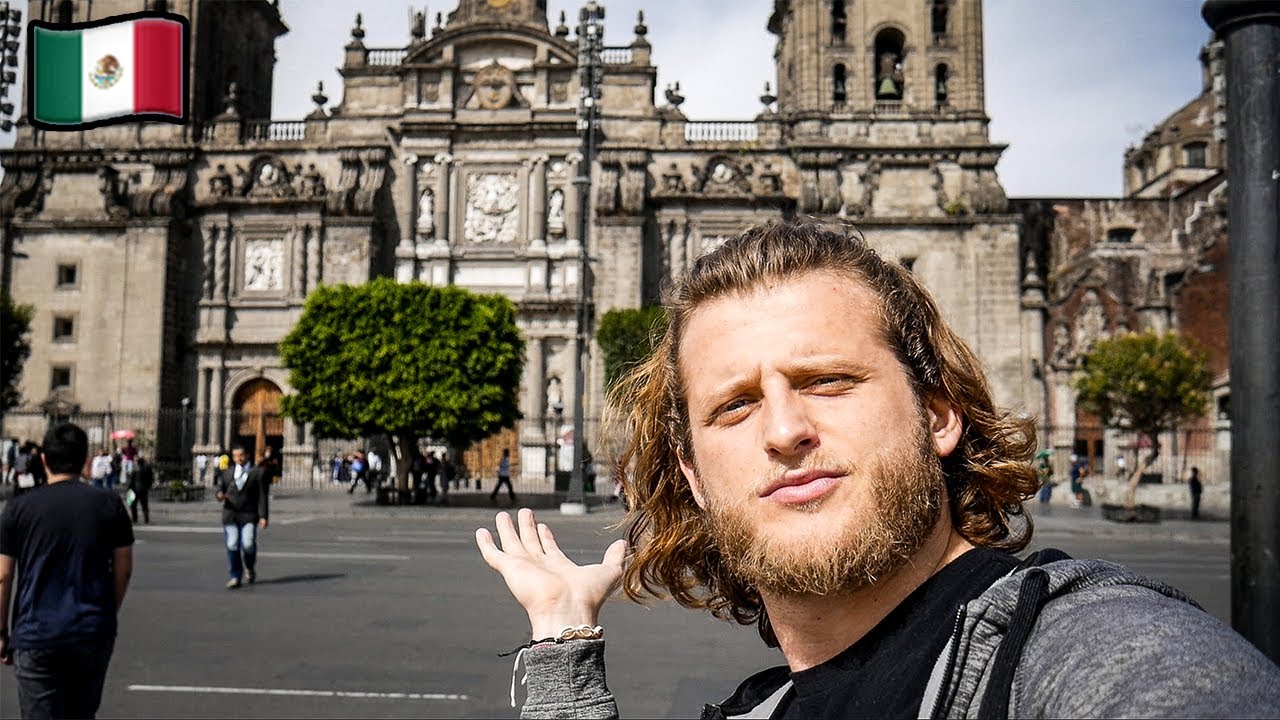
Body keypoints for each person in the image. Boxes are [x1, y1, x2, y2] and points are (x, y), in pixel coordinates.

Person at [474, 223, 1280, 718]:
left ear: (938, 414)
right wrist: (564, 640)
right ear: (689, 471)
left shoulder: (1091, 653)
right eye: (734, 406)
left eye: (828, 380)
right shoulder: (766, 708)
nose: (785, 429)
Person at [0, 422, 134, 719]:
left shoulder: (19, 508)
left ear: (44, 459)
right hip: (91, 630)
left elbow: (3, 576)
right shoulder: (109, 504)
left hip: (36, 633)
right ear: (87, 460)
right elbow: (124, 569)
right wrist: (106, 612)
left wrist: (1, 631)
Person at [214, 445, 268, 588]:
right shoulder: (227, 473)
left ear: (247, 455)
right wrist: (219, 495)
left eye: (241, 455)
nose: (238, 458)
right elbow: (220, 488)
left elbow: (263, 496)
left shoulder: (257, 472)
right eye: (235, 456)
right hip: (230, 514)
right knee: (232, 544)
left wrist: (263, 516)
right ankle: (235, 575)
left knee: (248, 544)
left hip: (249, 514)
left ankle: (249, 568)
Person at [127, 456, 155, 525]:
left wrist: (129, 489)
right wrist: (148, 486)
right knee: (144, 505)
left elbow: (131, 481)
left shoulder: (135, 469)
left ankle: (134, 519)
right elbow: (151, 478)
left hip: (134, 489)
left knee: (133, 505)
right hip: (143, 489)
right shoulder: (147, 468)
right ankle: (146, 519)